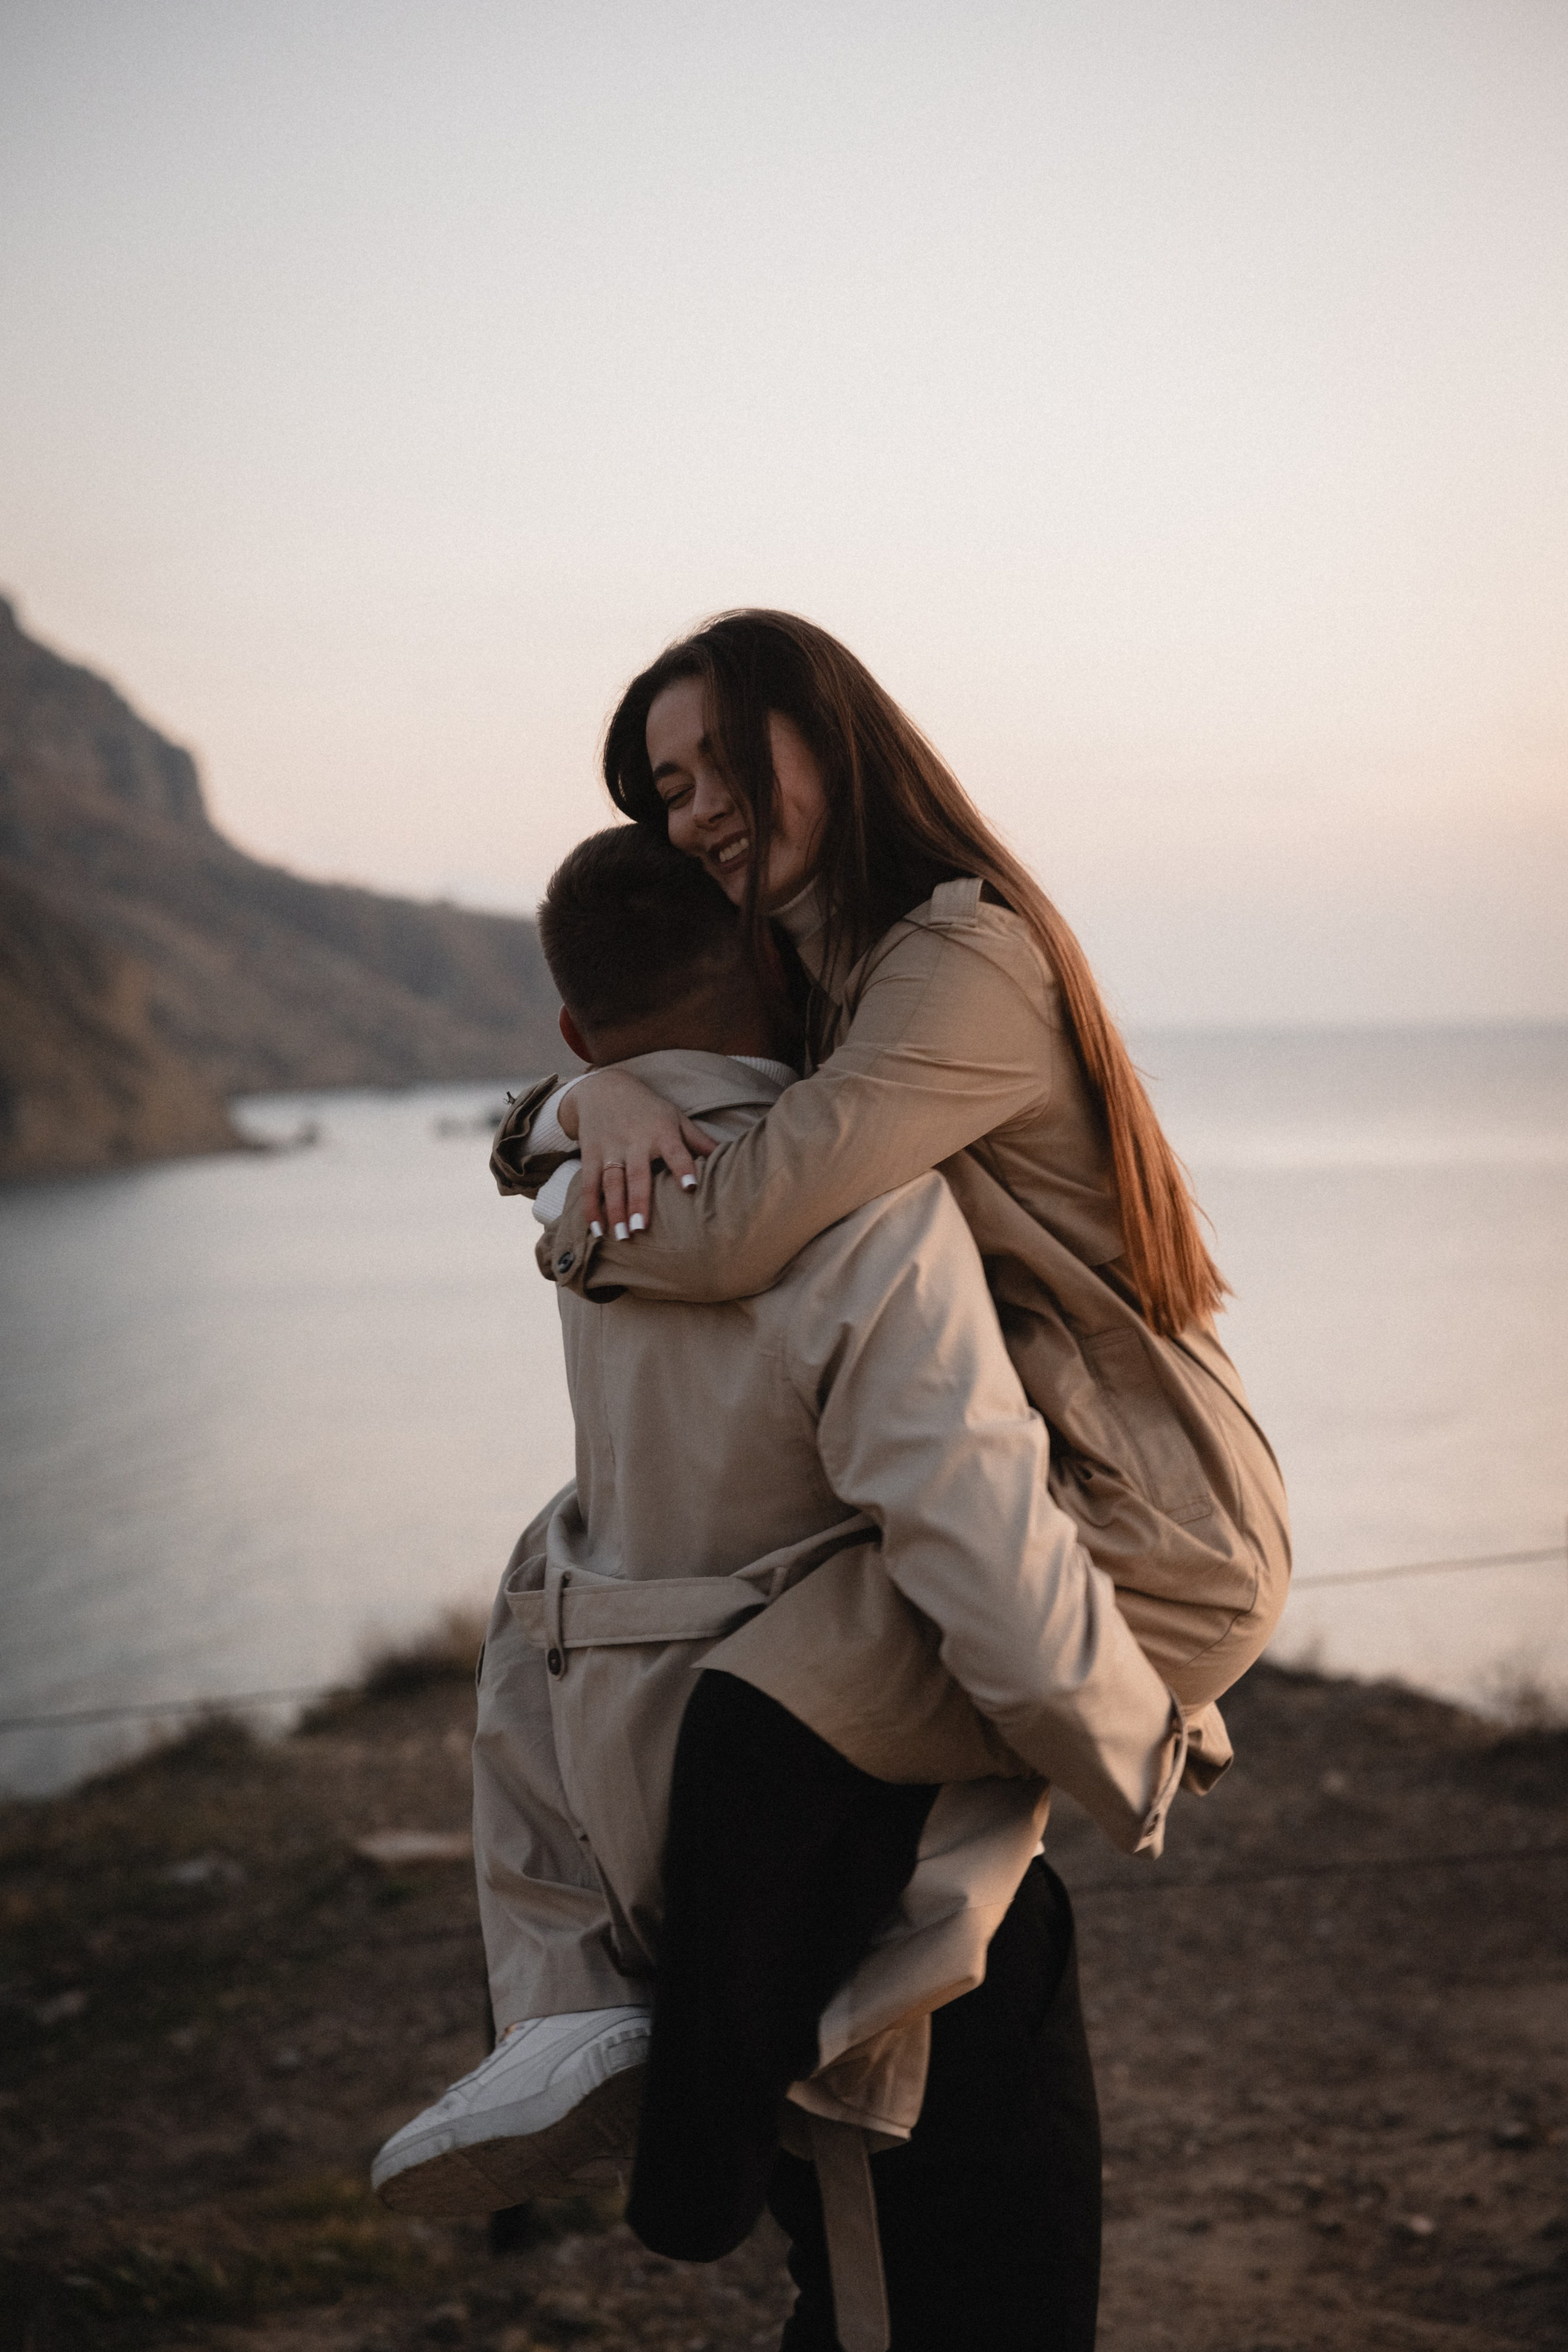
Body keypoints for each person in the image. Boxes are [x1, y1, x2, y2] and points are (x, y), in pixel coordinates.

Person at [374, 826, 1191, 2352]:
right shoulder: (861, 1210)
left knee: (868, 2283)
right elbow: (967, 1526)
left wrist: (571, 1101)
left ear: (573, 1033)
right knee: (947, 2306)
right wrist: (1138, 1748)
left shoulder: (596, 1208)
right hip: (857, 1861)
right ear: (776, 961)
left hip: (649, 1817)